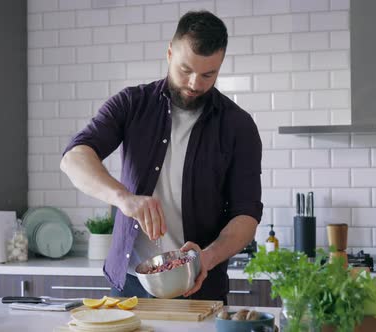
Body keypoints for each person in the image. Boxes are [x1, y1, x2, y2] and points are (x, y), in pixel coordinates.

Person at [61, 10, 262, 303]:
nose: (195, 83)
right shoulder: (131, 104)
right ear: (169, 53)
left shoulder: (238, 126)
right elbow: (74, 158)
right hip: (129, 284)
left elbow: (246, 215)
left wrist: (208, 257)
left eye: (208, 74)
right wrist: (123, 198)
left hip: (200, 285)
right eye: (185, 70)